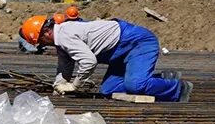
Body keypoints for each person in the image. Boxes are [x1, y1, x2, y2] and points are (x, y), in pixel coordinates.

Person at [19, 14, 192, 101]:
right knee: (108, 90)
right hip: (118, 53)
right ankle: (160, 78)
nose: (44, 46)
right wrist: (58, 85)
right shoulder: (60, 39)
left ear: (45, 34)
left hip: (137, 42)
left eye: (41, 42)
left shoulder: (64, 35)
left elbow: (88, 61)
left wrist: (74, 85)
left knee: (136, 86)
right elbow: (65, 66)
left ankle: (178, 89)